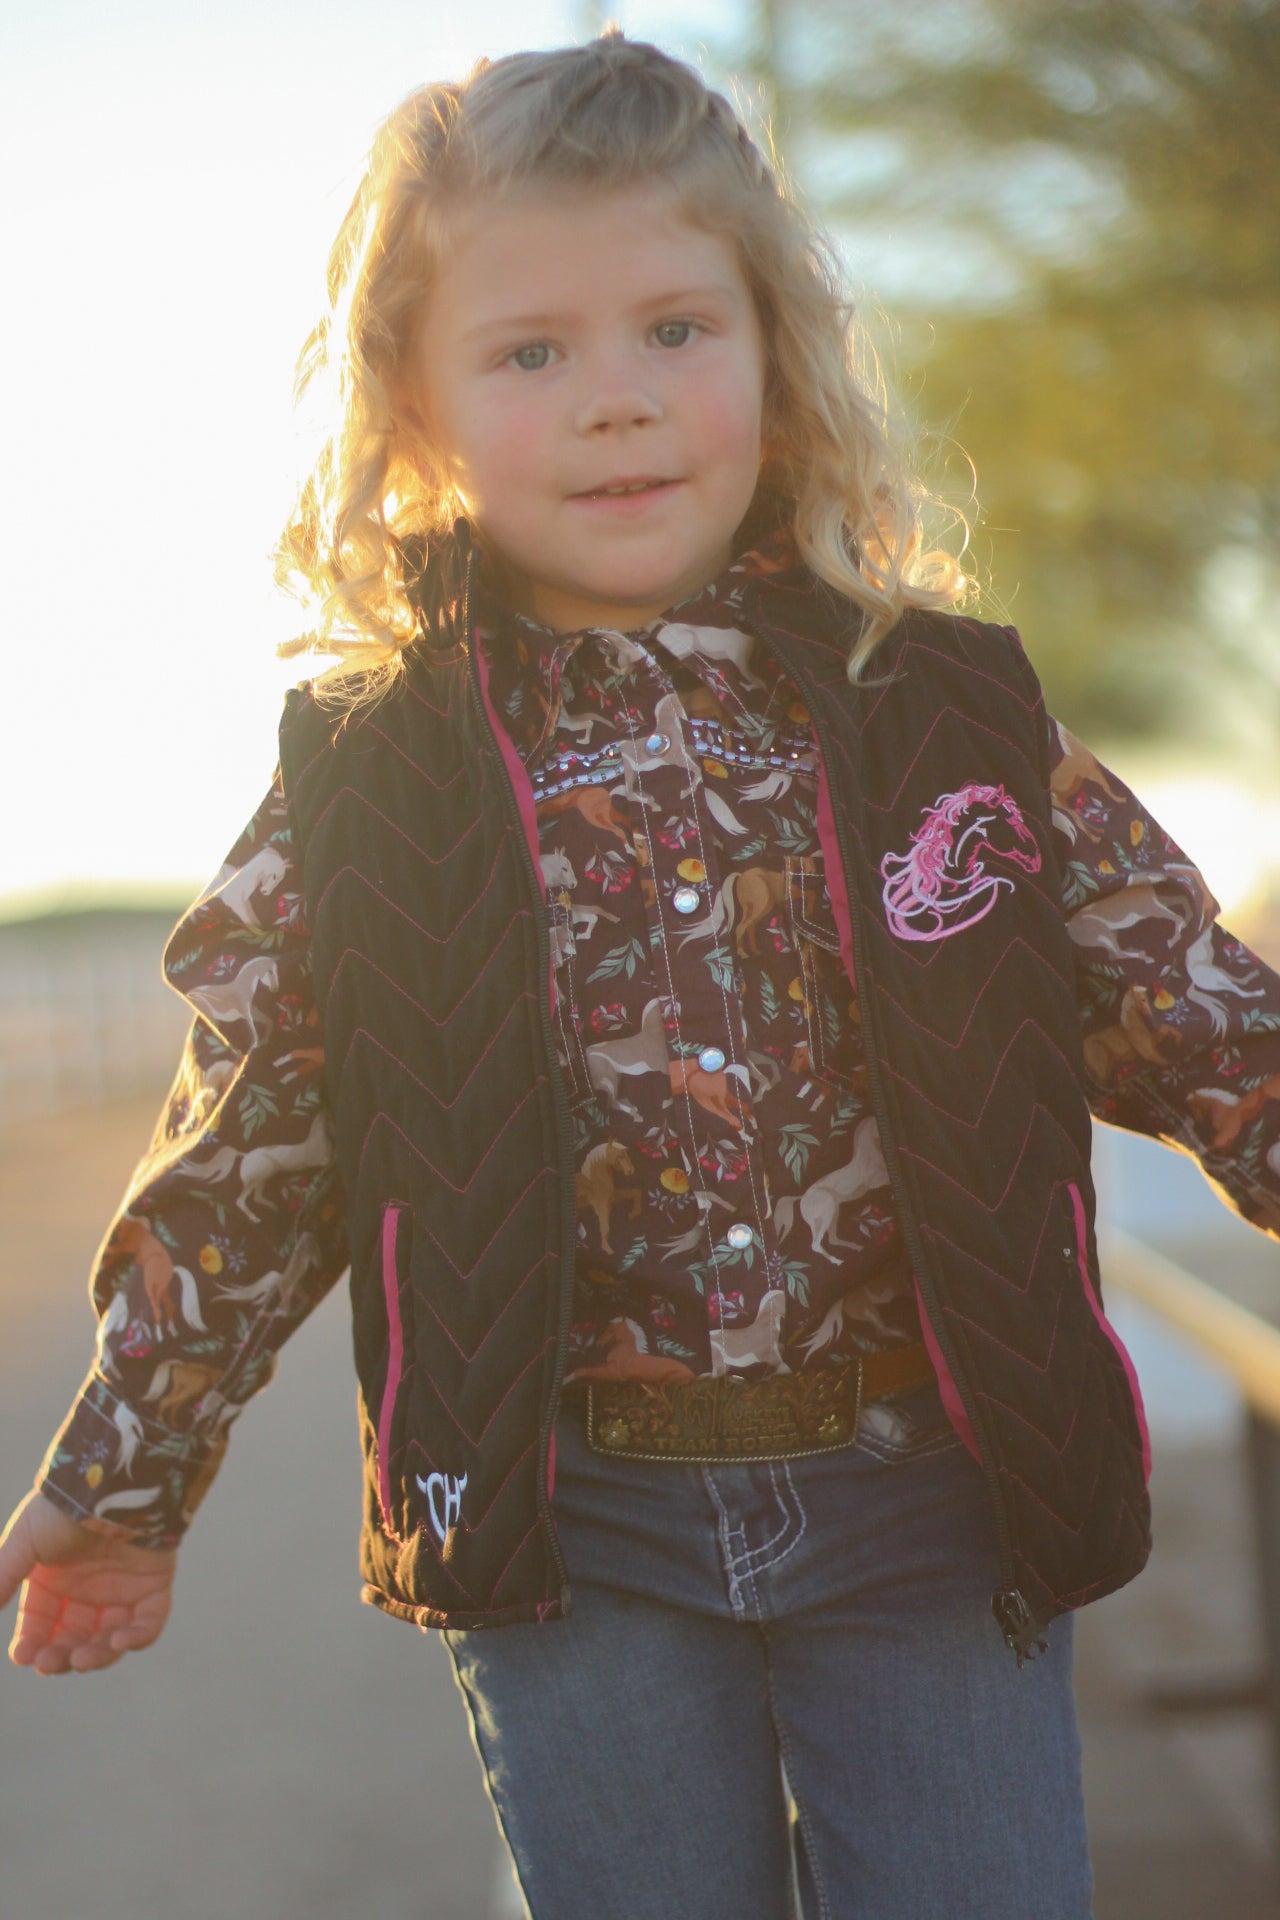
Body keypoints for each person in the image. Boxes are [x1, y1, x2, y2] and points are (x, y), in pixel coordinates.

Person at [3, 31, 1279, 1920]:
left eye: (677, 329)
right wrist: (121, 1483)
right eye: (532, 353)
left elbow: (1199, 1013)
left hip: (937, 1502)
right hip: (568, 1533)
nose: (619, 400)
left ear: (775, 354)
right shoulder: (373, 775)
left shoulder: (934, 711)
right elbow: (251, 1152)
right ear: (414, 411)